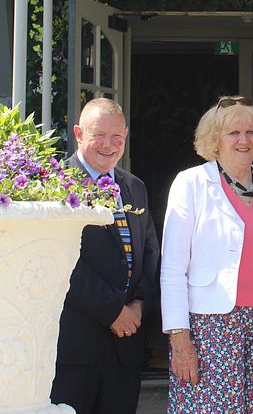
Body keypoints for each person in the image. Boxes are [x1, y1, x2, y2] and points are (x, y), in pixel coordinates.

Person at [160, 97, 253, 413]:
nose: (243, 140)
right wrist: (179, 339)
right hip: (212, 324)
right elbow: (172, 267)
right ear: (214, 140)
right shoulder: (192, 183)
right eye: (233, 133)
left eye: (250, 133)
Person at [51, 98, 159, 414]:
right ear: (79, 134)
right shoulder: (56, 185)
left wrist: (139, 304)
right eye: (99, 135)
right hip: (75, 346)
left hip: (126, 347)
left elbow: (149, 253)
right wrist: (113, 310)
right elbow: (62, 260)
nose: (109, 145)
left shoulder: (134, 186)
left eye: (117, 137)